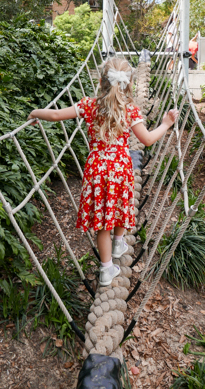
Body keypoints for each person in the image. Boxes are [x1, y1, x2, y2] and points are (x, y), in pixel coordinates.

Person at [28, 57, 178, 287]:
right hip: (120, 168)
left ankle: (106, 269)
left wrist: (35, 112)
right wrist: (166, 124)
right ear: (129, 85)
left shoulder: (90, 105)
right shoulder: (130, 109)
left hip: (97, 169)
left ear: (100, 81)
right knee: (118, 206)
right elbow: (147, 140)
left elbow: (56, 115)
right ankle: (120, 242)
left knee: (102, 222)